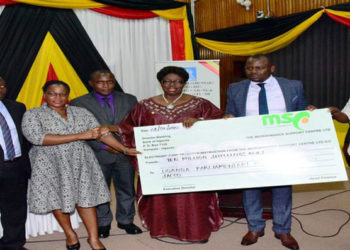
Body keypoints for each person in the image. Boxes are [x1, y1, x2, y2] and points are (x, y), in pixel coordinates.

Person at [21, 80, 138, 250]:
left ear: (67, 96)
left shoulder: (80, 112)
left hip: (81, 160)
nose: (57, 97)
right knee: (57, 199)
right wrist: (79, 135)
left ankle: (93, 238)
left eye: (62, 94)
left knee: (87, 198)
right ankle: (70, 234)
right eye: (52, 93)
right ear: (44, 95)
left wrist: (124, 149)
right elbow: (38, 138)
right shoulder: (33, 114)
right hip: (49, 162)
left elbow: (99, 134)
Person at [115, 66, 224, 242]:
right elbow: (128, 127)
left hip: (191, 163)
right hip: (159, 164)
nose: (172, 85)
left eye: (178, 81)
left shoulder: (200, 103)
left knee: (193, 198)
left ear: (184, 83)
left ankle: (197, 231)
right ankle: (162, 228)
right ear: (161, 83)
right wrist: (133, 149)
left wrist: (200, 121)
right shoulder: (145, 105)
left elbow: (220, 123)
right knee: (162, 197)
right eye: (167, 81)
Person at [225, 55, 315, 250]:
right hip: (249, 146)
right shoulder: (236, 88)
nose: (253, 72)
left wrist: (309, 111)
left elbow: (302, 111)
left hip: (282, 146)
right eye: (249, 68)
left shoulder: (293, 86)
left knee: (282, 189)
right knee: (250, 188)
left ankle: (283, 229)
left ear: (271, 68)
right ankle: (255, 227)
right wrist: (228, 116)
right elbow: (230, 111)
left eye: (259, 68)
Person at [70, 70, 142, 237]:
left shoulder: (129, 99)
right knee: (100, 190)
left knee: (127, 188)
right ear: (91, 83)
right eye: (101, 82)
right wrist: (101, 147)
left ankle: (126, 221)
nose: (106, 85)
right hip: (98, 154)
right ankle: (103, 223)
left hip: (125, 152)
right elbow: (79, 130)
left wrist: (122, 144)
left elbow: (135, 124)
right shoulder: (78, 102)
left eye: (109, 82)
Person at [0, 77, 31, 250]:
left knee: (15, 210)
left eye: (3, 85)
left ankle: (13, 245)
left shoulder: (17, 107)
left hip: (15, 166)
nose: (1, 88)